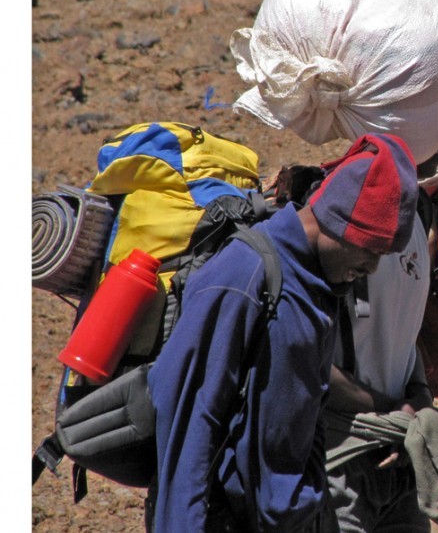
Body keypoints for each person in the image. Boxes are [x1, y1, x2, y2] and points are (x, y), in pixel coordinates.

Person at [146, 133, 420, 533]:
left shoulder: (320, 284)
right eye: (370, 251)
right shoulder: (245, 271)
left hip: (295, 515)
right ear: (337, 222)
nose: (372, 268)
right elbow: (187, 415)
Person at [316, 200, 434, 533]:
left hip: (400, 448)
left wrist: (417, 399)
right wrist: (398, 413)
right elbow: (308, 359)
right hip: (342, 451)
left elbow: (404, 335)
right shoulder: (335, 217)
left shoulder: (416, 220)